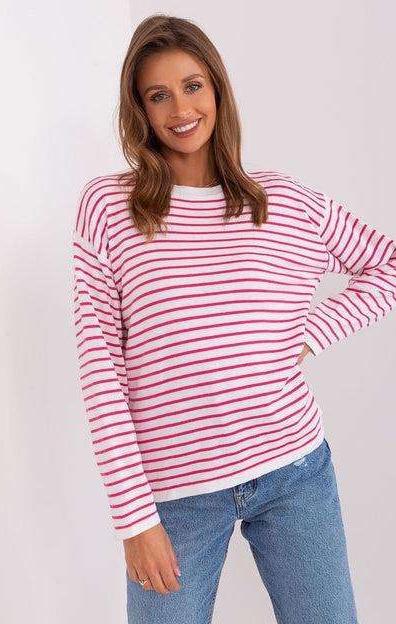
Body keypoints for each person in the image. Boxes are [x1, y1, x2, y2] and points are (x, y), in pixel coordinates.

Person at [72, 14, 396, 624]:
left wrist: (310, 334)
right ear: (139, 109)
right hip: (175, 497)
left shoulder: (285, 201)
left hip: (295, 470)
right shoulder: (111, 208)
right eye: (158, 94)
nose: (180, 108)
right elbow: (100, 368)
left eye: (193, 86)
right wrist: (134, 519)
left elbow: (386, 264)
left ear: (218, 90)